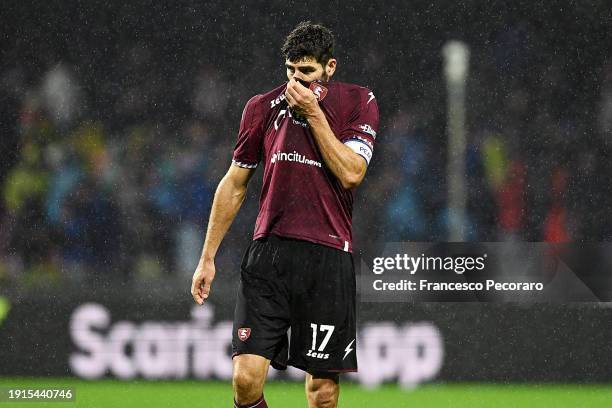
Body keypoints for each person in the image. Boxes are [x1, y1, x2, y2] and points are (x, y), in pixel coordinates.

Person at [191, 21, 379, 408]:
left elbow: (351, 172)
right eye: (291, 71)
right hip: (269, 254)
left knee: (322, 393)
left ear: (330, 67)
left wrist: (313, 113)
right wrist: (207, 257)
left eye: (307, 72)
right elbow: (234, 183)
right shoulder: (260, 107)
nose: (297, 82)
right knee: (245, 380)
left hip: (327, 256)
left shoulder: (358, 102)